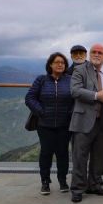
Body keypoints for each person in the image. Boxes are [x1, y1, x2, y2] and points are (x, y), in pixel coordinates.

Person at [68, 43, 103, 203]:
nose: (97, 54)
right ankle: (78, 189)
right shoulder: (79, 70)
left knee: (100, 156)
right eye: (94, 51)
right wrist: (96, 96)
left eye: (100, 52)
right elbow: (75, 91)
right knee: (80, 156)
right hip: (83, 120)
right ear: (89, 54)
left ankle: (94, 184)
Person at [25, 52, 74, 195]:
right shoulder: (41, 80)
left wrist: (69, 113)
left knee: (63, 153)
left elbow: (75, 99)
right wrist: (41, 111)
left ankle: (63, 181)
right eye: (57, 62)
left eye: (63, 63)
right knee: (46, 153)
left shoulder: (70, 80)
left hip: (64, 124)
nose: (60, 65)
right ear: (50, 65)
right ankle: (45, 182)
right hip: (44, 124)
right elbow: (29, 98)